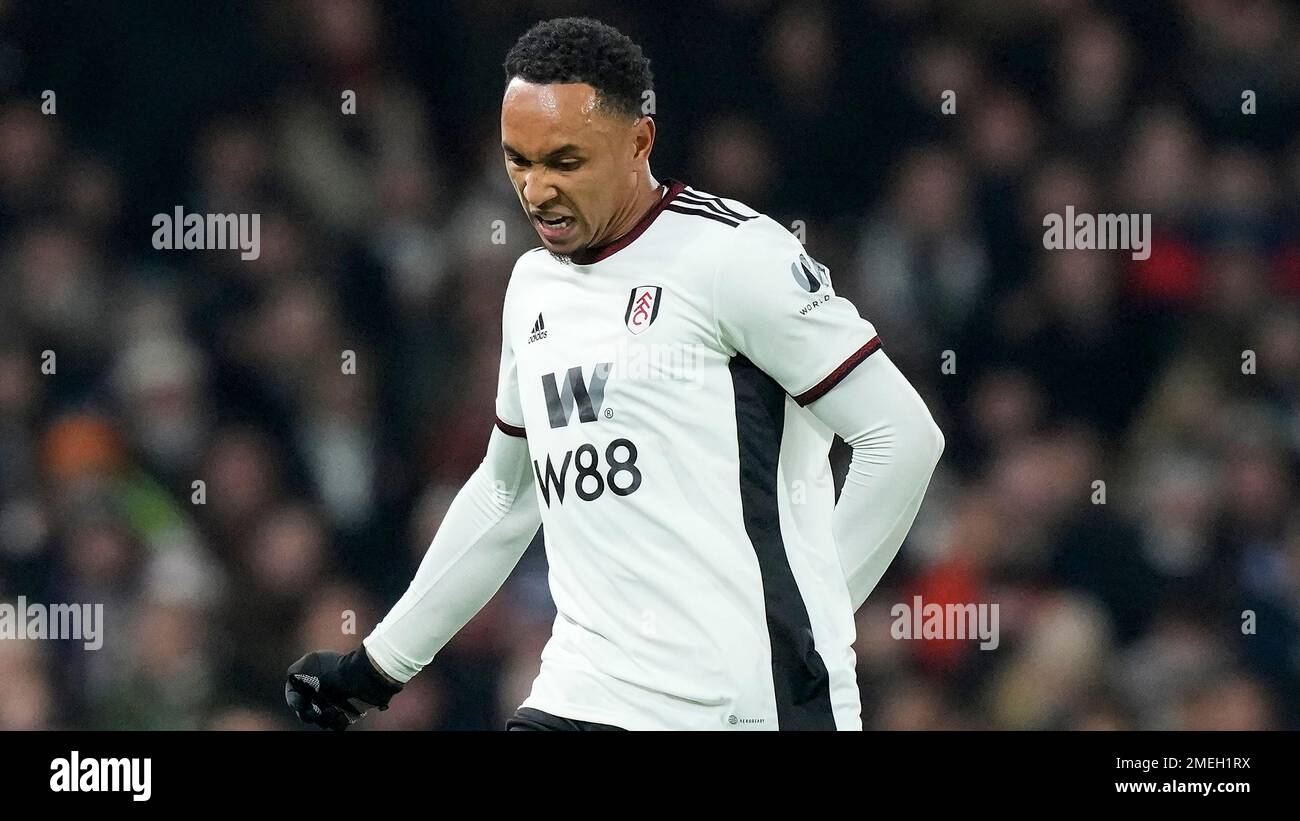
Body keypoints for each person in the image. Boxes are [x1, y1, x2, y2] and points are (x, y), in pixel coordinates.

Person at [286, 16, 944, 732]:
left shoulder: (735, 256)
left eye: (565, 162)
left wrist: (807, 621)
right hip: (586, 692)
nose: (535, 191)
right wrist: (380, 665)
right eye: (519, 161)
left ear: (639, 143)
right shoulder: (533, 286)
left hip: (744, 707)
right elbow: (508, 495)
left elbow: (902, 437)